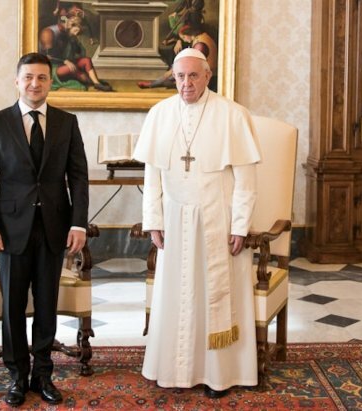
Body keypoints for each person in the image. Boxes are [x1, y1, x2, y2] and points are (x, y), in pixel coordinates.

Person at [132, 48, 261, 398]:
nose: (186, 83)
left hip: (217, 217)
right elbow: (153, 175)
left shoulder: (232, 115)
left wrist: (239, 226)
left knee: (216, 295)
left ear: (208, 76)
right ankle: (173, 369)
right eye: (180, 76)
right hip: (174, 218)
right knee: (176, 295)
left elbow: (246, 180)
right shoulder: (159, 114)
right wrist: (153, 222)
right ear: (172, 77)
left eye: (193, 76)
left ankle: (219, 375)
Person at [0, 52, 89, 406]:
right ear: (17, 81)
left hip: (54, 228)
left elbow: (78, 177)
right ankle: (16, 375)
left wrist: (78, 223)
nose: (34, 84)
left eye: (41, 78)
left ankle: (42, 374)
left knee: (46, 305)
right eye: (28, 78)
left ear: (50, 81)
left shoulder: (67, 123)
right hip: (10, 230)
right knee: (12, 307)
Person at [39, 15, 112, 91]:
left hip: (64, 63)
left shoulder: (68, 35)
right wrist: (65, 61)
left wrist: (75, 42)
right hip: (52, 67)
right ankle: (90, 82)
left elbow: (80, 52)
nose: (77, 34)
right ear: (72, 26)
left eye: (79, 32)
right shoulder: (49, 33)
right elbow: (48, 57)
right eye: (76, 30)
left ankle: (97, 83)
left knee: (86, 60)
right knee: (73, 69)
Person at [138, 25, 217, 90]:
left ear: (188, 34)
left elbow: (192, 63)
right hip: (202, 71)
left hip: (205, 75)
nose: (184, 40)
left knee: (173, 75)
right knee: (173, 75)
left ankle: (152, 84)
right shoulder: (202, 37)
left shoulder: (200, 44)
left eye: (183, 37)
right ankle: (153, 84)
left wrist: (172, 71)